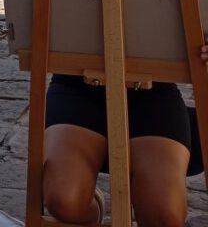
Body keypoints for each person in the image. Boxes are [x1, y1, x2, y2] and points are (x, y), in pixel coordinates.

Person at [43, 41, 208, 227]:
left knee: (164, 215)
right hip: (76, 84)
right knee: (64, 200)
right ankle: (91, 211)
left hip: (154, 91)